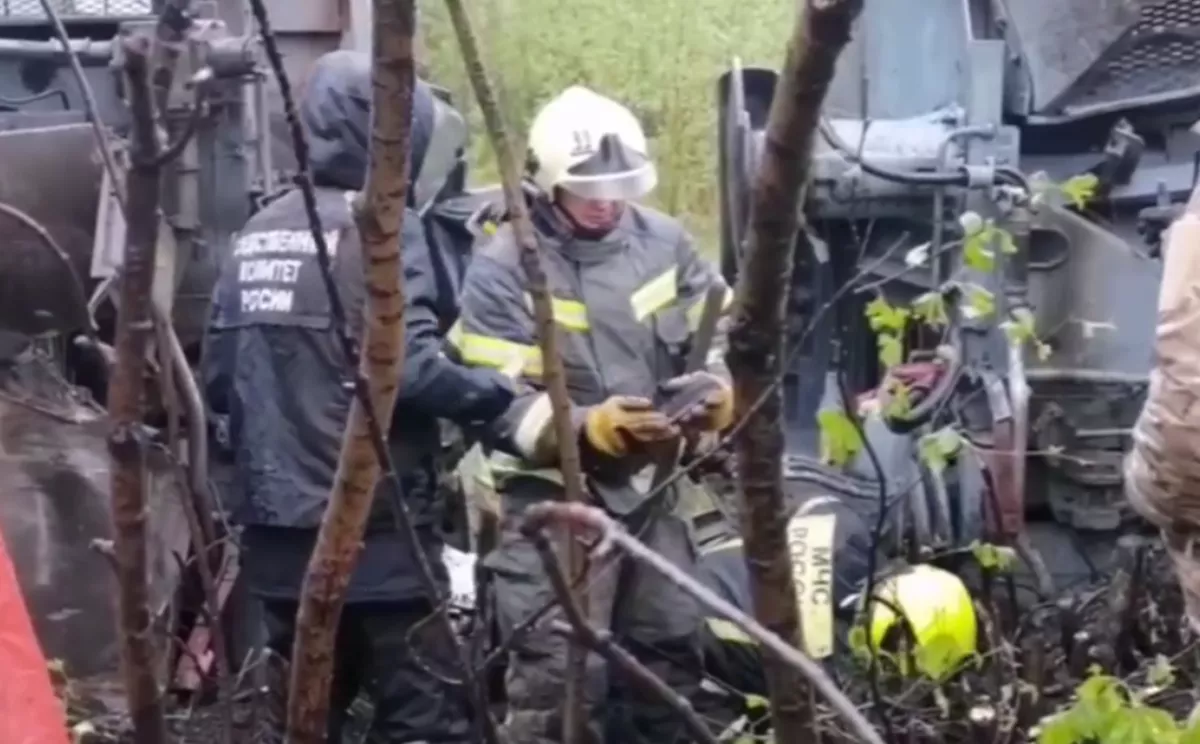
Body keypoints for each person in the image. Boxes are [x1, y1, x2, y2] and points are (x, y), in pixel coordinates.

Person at [201, 50, 515, 743]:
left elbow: (220, 379)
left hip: (277, 545)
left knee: (309, 714)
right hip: (380, 544)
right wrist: (509, 406)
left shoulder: (257, 231)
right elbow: (411, 369)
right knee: (425, 718)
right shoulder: (381, 227)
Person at [447, 85, 736, 743]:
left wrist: (718, 394)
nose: (607, 200)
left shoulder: (666, 244)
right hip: (550, 503)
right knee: (558, 676)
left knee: (668, 653)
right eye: (588, 189)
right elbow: (490, 401)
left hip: (655, 495)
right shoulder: (504, 269)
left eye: (619, 185)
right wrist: (585, 429)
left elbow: (721, 338)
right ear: (548, 186)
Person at [693, 491, 979, 731]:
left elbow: (813, 503)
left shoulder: (851, 532)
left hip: (719, 559)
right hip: (698, 633)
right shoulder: (819, 662)